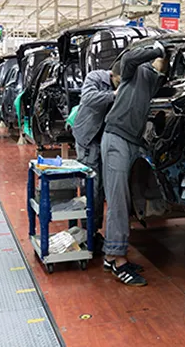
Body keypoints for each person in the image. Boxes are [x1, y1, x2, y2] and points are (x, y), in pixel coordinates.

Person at [101, 41, 168, 287]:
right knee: (118, 200)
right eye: (162, 58)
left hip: (133, 141)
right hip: (117, 138)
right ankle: (118, 260)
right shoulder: (136, 70)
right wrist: (158, 48)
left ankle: (111, 255)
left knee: (126, 200)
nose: (164, 62)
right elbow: (128, 58)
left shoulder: (157, 80)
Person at [72, 62, 121, 252]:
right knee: (91, 187)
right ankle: (88, 233)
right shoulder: (95, 77)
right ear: (113, 75)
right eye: (119, 82)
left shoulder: (121, 83)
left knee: (100, 188)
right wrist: (114, 95)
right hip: (88, 139)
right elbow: (88, 98)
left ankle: (94, 231)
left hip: (104, 140)